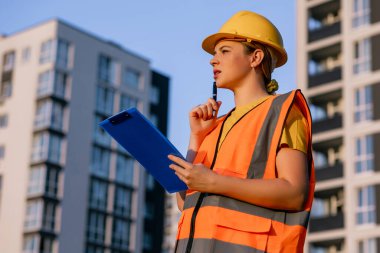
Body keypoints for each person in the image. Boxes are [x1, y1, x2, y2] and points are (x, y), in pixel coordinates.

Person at [168, 10, 315, 253]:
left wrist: (215, 182)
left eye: (224, 51)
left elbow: (294, 193)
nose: (213, 60)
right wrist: (197, 137)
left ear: (255, 57)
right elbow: (185, 203)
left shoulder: (282, 112)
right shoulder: (214, 126)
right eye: (215, 54)